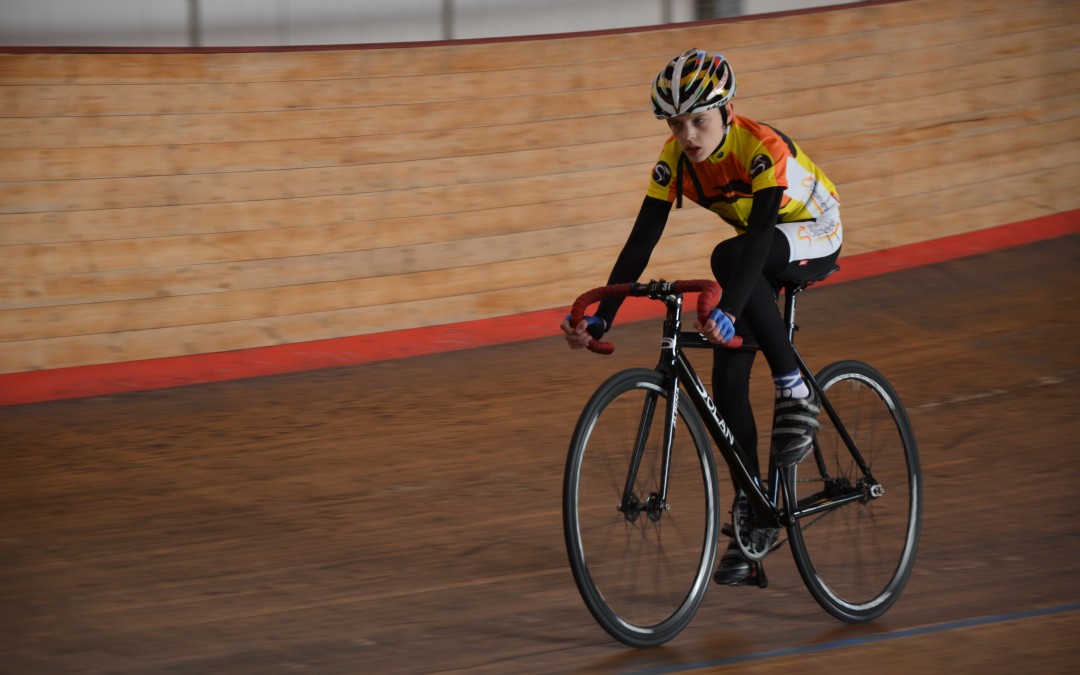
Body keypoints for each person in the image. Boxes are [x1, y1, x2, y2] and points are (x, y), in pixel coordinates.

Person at [560, 48, 842, 586]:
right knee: (727, 377)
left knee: (727, 259)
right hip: (758, 254)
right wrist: (603, 317)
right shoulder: (674, 160)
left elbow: (758, 237)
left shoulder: (760, 147)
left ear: (728, 110)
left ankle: (795, 390)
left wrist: (731, 310)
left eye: (700, 120)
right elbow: (641, 242)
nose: (688, 134)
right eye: (676, 122)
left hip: (813, 232)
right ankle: (755, 515)